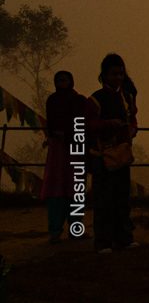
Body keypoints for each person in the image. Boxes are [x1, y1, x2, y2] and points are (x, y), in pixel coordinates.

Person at [86, 54, 138, 254]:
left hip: (122, 154)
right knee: (103, 201)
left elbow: (133, 121)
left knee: (122, 199)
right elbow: (86, 125)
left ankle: (124, 238)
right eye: (114, 74)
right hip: (101, 156)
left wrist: (131, 129)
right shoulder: (95, 99)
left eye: (121, 74)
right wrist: (108, 124)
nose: (118, 78)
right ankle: (104, 242)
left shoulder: (127, 98)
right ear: (104, 75)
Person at [40, 71, 87, 243]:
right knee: (56, 189)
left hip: (74, 148)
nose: (61, 83)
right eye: (58, 80)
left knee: (75, 189)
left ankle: (76, 229)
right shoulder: (52, 101)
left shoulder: (79, 101)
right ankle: (55, 231)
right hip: (58, 151)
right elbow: (51, 124)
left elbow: (81, 124)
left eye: (64, 79)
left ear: (71, 81)